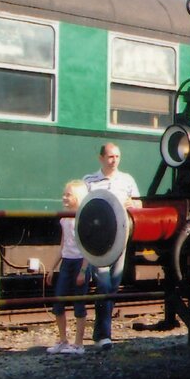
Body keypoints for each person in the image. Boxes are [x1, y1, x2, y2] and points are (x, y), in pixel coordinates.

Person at [83, 143, 141, 351]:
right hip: (97, 242)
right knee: (105, 286)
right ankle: (103, 335)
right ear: (101, 158)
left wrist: (132, 206)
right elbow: (82, 211)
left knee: (113, 287)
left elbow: (140, 207)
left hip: (120, 239)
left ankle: (100, 332)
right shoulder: (88, 181)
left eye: (117, 156)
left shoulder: (127, 181)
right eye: (110, 156)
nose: (114, 160)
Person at [49, 181, 90, 355]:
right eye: (64, 194)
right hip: (66, 261)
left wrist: (83, 270)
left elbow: (88, 247)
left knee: (79, 303)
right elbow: (63, 244)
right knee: (58, 300)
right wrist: (52, 267)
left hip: (80, 262)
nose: (64, 197)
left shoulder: (83, 218)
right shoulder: (64, 218)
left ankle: (79, 343)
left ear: (78, 198)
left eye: (68, 195)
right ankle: (63, 340)